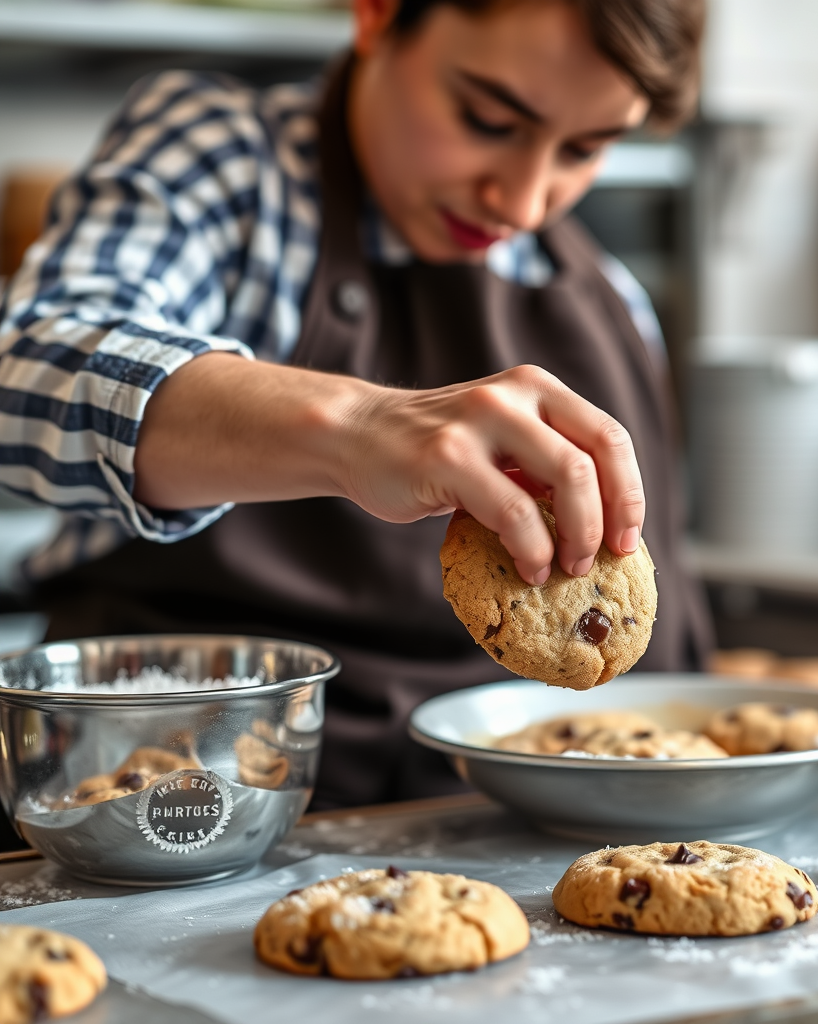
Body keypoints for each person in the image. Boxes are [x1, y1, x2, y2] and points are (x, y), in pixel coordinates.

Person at [0, 0, 711, 809]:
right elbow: (24, 373)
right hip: (197, 810)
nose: (521, 202)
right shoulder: (226, 165)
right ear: (376, 13)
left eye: (587, 148)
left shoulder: (610, 294)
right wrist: (358, 428)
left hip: (510, 829)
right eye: (487, 118)